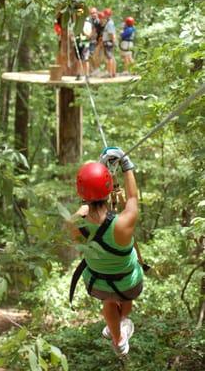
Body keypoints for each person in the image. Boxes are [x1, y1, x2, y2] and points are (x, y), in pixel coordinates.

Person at [68, 147, 143, 355]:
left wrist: (100, 170)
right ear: (109, 189)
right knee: (124, 297)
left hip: (97, 284)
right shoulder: (123, 223)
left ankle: (118, 338)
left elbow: (82, 212)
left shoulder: (75, 224)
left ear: (80, 192)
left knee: (109, 299)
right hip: (129, 284)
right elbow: (132, 199)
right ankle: (122, 323)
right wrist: (126, 164)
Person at [74, 13, 92, 81]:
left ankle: (87, 75)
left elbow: (89, 35)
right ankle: (79, 74)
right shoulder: (77, 24)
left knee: (86, 59)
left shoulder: (88, 24)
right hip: (78, 43)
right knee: (78, 59)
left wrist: (83, 31)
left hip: (85, 43)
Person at [101, 8, 117, 77]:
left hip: (108, 42)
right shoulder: (108, 22)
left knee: (109, 57)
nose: (104, 15)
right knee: (111, 57)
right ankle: (113, 72)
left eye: (105, 14)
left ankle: (110, 73)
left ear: (107, 15)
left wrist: (113, 41)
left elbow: (111, 34)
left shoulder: (110, 23)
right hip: (108, 42)